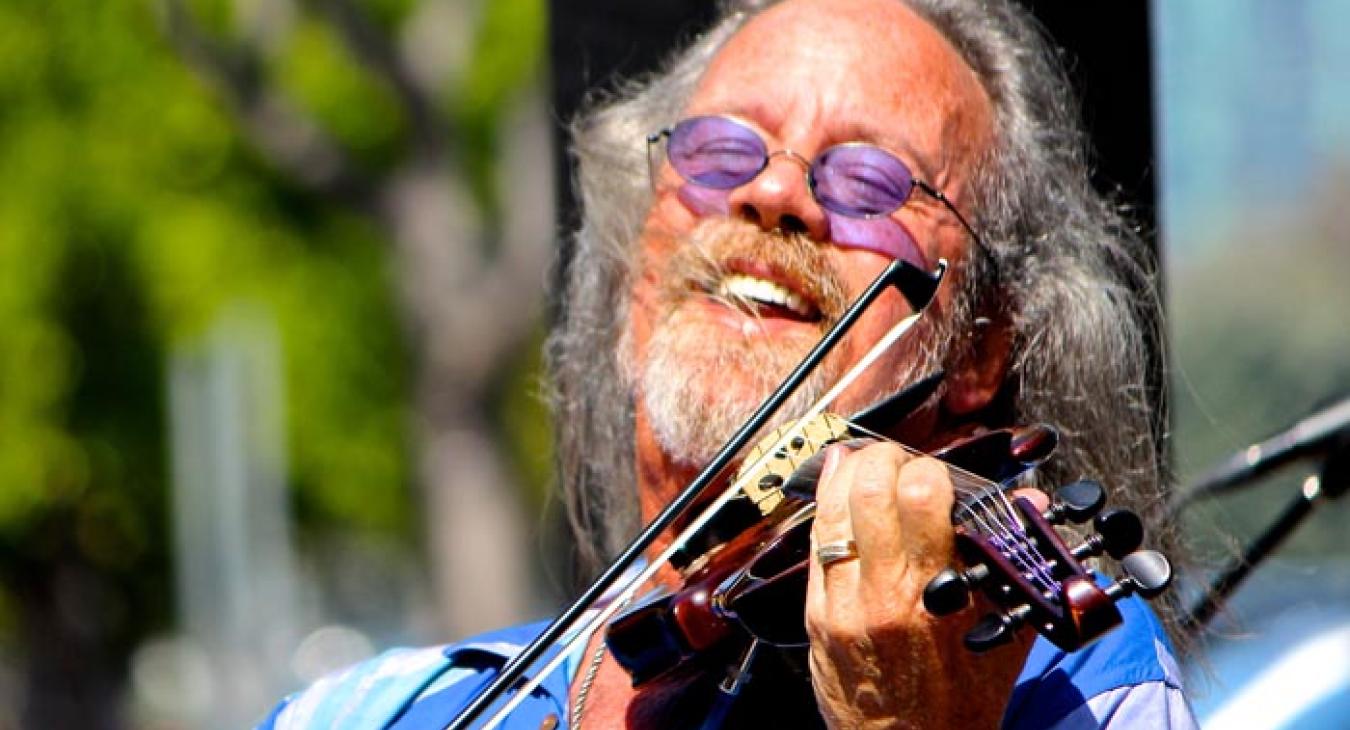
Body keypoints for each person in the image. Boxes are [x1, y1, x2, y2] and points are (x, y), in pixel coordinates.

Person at [260, 0, 1197, 727]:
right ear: (636, 273)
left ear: (980, 350)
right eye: (719, 150)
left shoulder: (1072, 693)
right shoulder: (366, 711)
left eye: (870, 178)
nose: (775, 190)